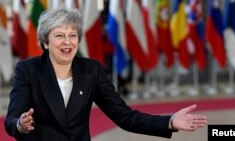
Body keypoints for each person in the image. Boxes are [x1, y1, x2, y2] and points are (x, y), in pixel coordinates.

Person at [4, 7, 207, 141]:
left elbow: (125, 117)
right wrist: (21, 125)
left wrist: (169, 121)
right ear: (45, 43)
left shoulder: (92, 70)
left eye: (72, 35)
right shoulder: (28, 70)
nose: (67, 42)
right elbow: (12, 119)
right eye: (59, 36)